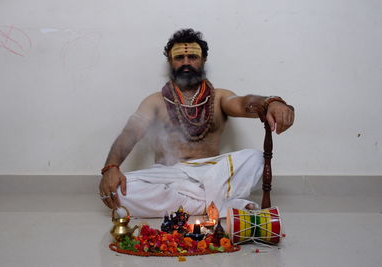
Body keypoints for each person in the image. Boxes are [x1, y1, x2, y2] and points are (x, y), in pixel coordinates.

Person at [99, 29, 294, 217]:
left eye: (192, 57)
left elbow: (244, 103)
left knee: (256, 158)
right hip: (169, 175)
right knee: (121, 190)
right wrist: (111, 167)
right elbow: (130, 134)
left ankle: (190, 204)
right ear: (170, 62)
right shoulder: (155, 101)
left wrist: (270, 102)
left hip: (211, 173)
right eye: (179, 58)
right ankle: (222, 205)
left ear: (203, 60)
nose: (186, 62)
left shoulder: (219, 97)